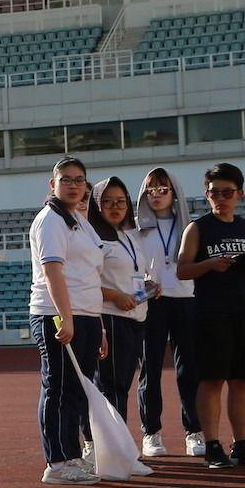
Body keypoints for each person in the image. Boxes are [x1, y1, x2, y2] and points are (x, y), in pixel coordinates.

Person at [175, 162, 245, 469]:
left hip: (244, 309)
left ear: (240, 194)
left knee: (242, 380)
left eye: (227, 192)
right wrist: (210, 264)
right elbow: (182, 270)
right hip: (211, 312)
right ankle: (211, 445)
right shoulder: (198, 228)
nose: (220, 198)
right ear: (206, 194)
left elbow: (242, 269)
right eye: (214, 193)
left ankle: (242, 444)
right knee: (212, 380)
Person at [30, 156, 107, 485]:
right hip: (57, 314)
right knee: (59, 388)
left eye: (79, 180)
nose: (74, 186)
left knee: (76, 390)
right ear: (53, 184)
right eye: (66, 180)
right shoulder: (50, 220)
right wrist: (66, 317)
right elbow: (52, 272)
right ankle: (58, 462)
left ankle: (71, 456)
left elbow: (89, 275)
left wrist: (98, 325)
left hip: (86, 315)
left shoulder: (79, 219)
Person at [131, 167, 204, 459]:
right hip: (152, 303)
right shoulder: (136, 229)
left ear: (174, 193)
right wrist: (143, 284)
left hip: (186, 300)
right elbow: (130, 269)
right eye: (150, 190)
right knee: (149, 369)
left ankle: (194, 430)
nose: (156, 195)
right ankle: (151, 432)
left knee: (189, 369)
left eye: (163, 189)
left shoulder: (189, 227)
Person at [88, 177, 148, 431]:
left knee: (122, 384)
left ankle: (116, 441)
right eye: (108, 202)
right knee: (110, 386)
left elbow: (132, 274)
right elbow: (85, 282)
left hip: (135, 317)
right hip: (110, 318)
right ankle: (110, 443)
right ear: (97, 205)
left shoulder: (128, 236)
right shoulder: (93, 239)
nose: (115, 207)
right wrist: (114, 295)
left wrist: (148, 288)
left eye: (121, 201)